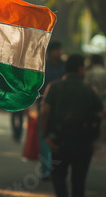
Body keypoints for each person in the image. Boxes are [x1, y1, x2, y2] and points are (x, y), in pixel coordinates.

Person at [40, 54, 103, 197]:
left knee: (58, 176)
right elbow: (100, 114)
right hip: (84, 143)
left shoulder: (54, 87)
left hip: (60, 141)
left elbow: (45, 113)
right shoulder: (89, 89)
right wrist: (96, 138)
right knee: (79, 181)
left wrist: (45, 136)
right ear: (80, 69)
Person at [38, 41, 66, 179]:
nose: (59, 52)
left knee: (59, 138)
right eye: (57, 50)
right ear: (50, 52)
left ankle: (57, 169)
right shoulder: (43, 66)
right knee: (44, 137)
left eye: (60, 50)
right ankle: (46, 170)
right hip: (44, 108)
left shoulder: (65, 67)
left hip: (62, 109)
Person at [84, 54, 106, 155]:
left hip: (92, 101)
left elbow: (86, 86)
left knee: (92, 122)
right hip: (105, 100)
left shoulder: (89, 73)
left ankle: (92, 145)